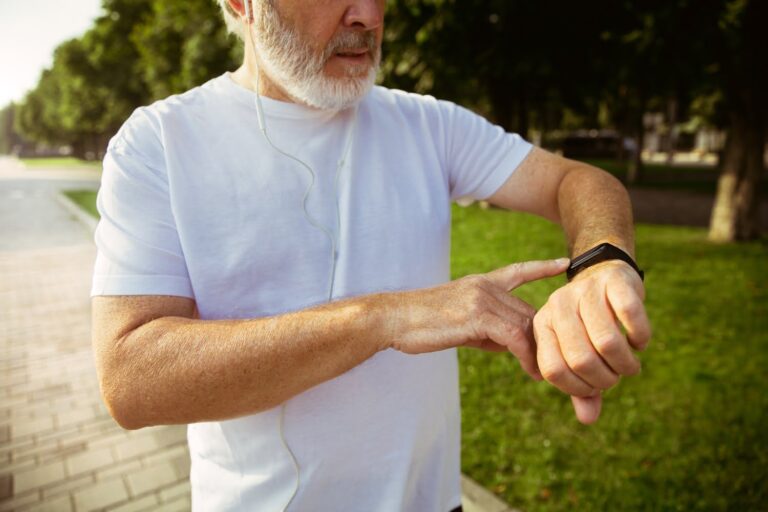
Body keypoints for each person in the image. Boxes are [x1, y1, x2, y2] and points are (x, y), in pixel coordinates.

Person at [90, 0, 651, 510]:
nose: (369, 16)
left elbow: (578, 182)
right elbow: (131, 380)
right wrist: (388, 317)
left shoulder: (428, 123)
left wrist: (600, 262)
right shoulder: (158, 143)